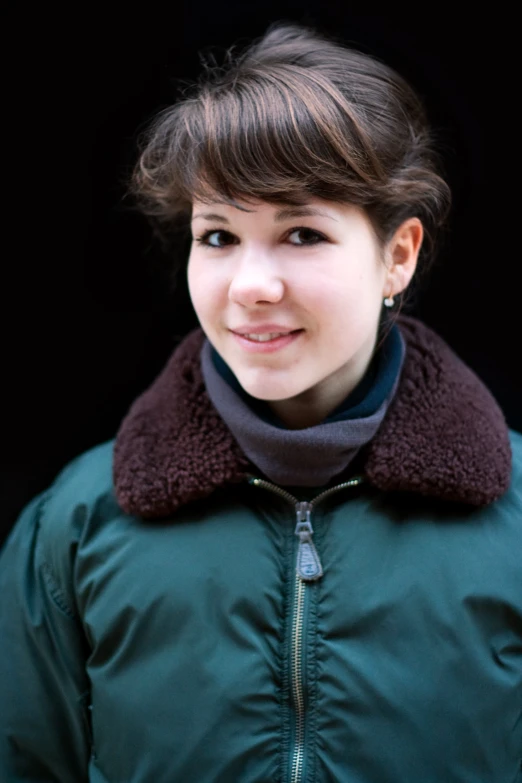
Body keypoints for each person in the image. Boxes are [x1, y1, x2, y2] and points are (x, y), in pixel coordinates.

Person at [1, 20, 521, 783]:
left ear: (398, 255)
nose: (249, 285)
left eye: (302, 232)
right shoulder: (74, 526)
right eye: (217, 236)